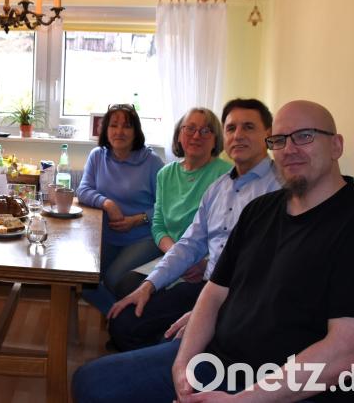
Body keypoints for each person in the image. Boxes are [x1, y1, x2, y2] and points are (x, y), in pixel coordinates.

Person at [73, 100, 354, 402]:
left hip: (275, 379)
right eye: (280, 140)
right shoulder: (260, 210)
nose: (290, 149)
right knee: (89, 382)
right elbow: (214, 292)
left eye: (305, 136)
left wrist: (244, 398)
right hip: (219, 354)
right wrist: (182, 366)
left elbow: (349, 350)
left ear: (336, 145)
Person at [105, 98, 280, 353]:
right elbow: (189, 242)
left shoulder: (281, 188)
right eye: (232, 128)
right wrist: (149, 285)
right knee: (124, 322)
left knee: (167, 340)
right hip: (205, 286)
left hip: (242, 297)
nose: (238, 135)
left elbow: (266, 266)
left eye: (249, 127)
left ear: (269, 134)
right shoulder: (218, 188)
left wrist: (207, 312)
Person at [109, 107, 231, 299]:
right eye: (190, 128)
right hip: (171, 254)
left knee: (144, 295)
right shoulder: (165, 174)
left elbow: (227, 233)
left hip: (204, 264)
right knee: (124, 285)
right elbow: (158, 226)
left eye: (205, 130)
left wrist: (204, 263)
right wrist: (177, 256)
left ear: (216, 139)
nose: (196, 136)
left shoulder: (226, 175)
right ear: (179, 135)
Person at [76, 104, 164, 313]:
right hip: (106, 236)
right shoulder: (97, 156)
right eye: (114, 125)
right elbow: (83, 190)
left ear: (136, 132)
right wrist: (107, 203)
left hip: (143, 237)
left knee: (113, 279)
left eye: (127, 126)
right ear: (106, 130)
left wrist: (137, 219)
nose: (119, 131)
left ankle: (123, 322)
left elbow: (166, 206)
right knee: (81, 278)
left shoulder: (152, 162)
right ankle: (120, 318)